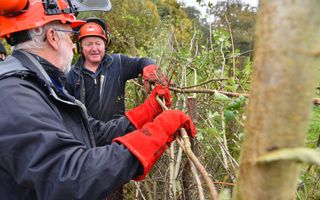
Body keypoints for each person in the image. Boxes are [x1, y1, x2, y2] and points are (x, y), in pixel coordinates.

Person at [0, 0, 196, 200]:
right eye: (71, 34)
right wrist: (155, 135)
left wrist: (150, 111)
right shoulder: (14, 93)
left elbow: (97, 133)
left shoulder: (44, 85)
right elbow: (69, 178)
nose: (73, 45)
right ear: (52, 37)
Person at [66, 18, 169, 122]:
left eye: (98, 43)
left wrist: (150, 68)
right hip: (85, 136)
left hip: (118, 133)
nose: (94, 48)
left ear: (105, 44)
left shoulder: (118, 63)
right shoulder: (72, 75)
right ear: (80, 47)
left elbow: (141, 62)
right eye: (89, 44)